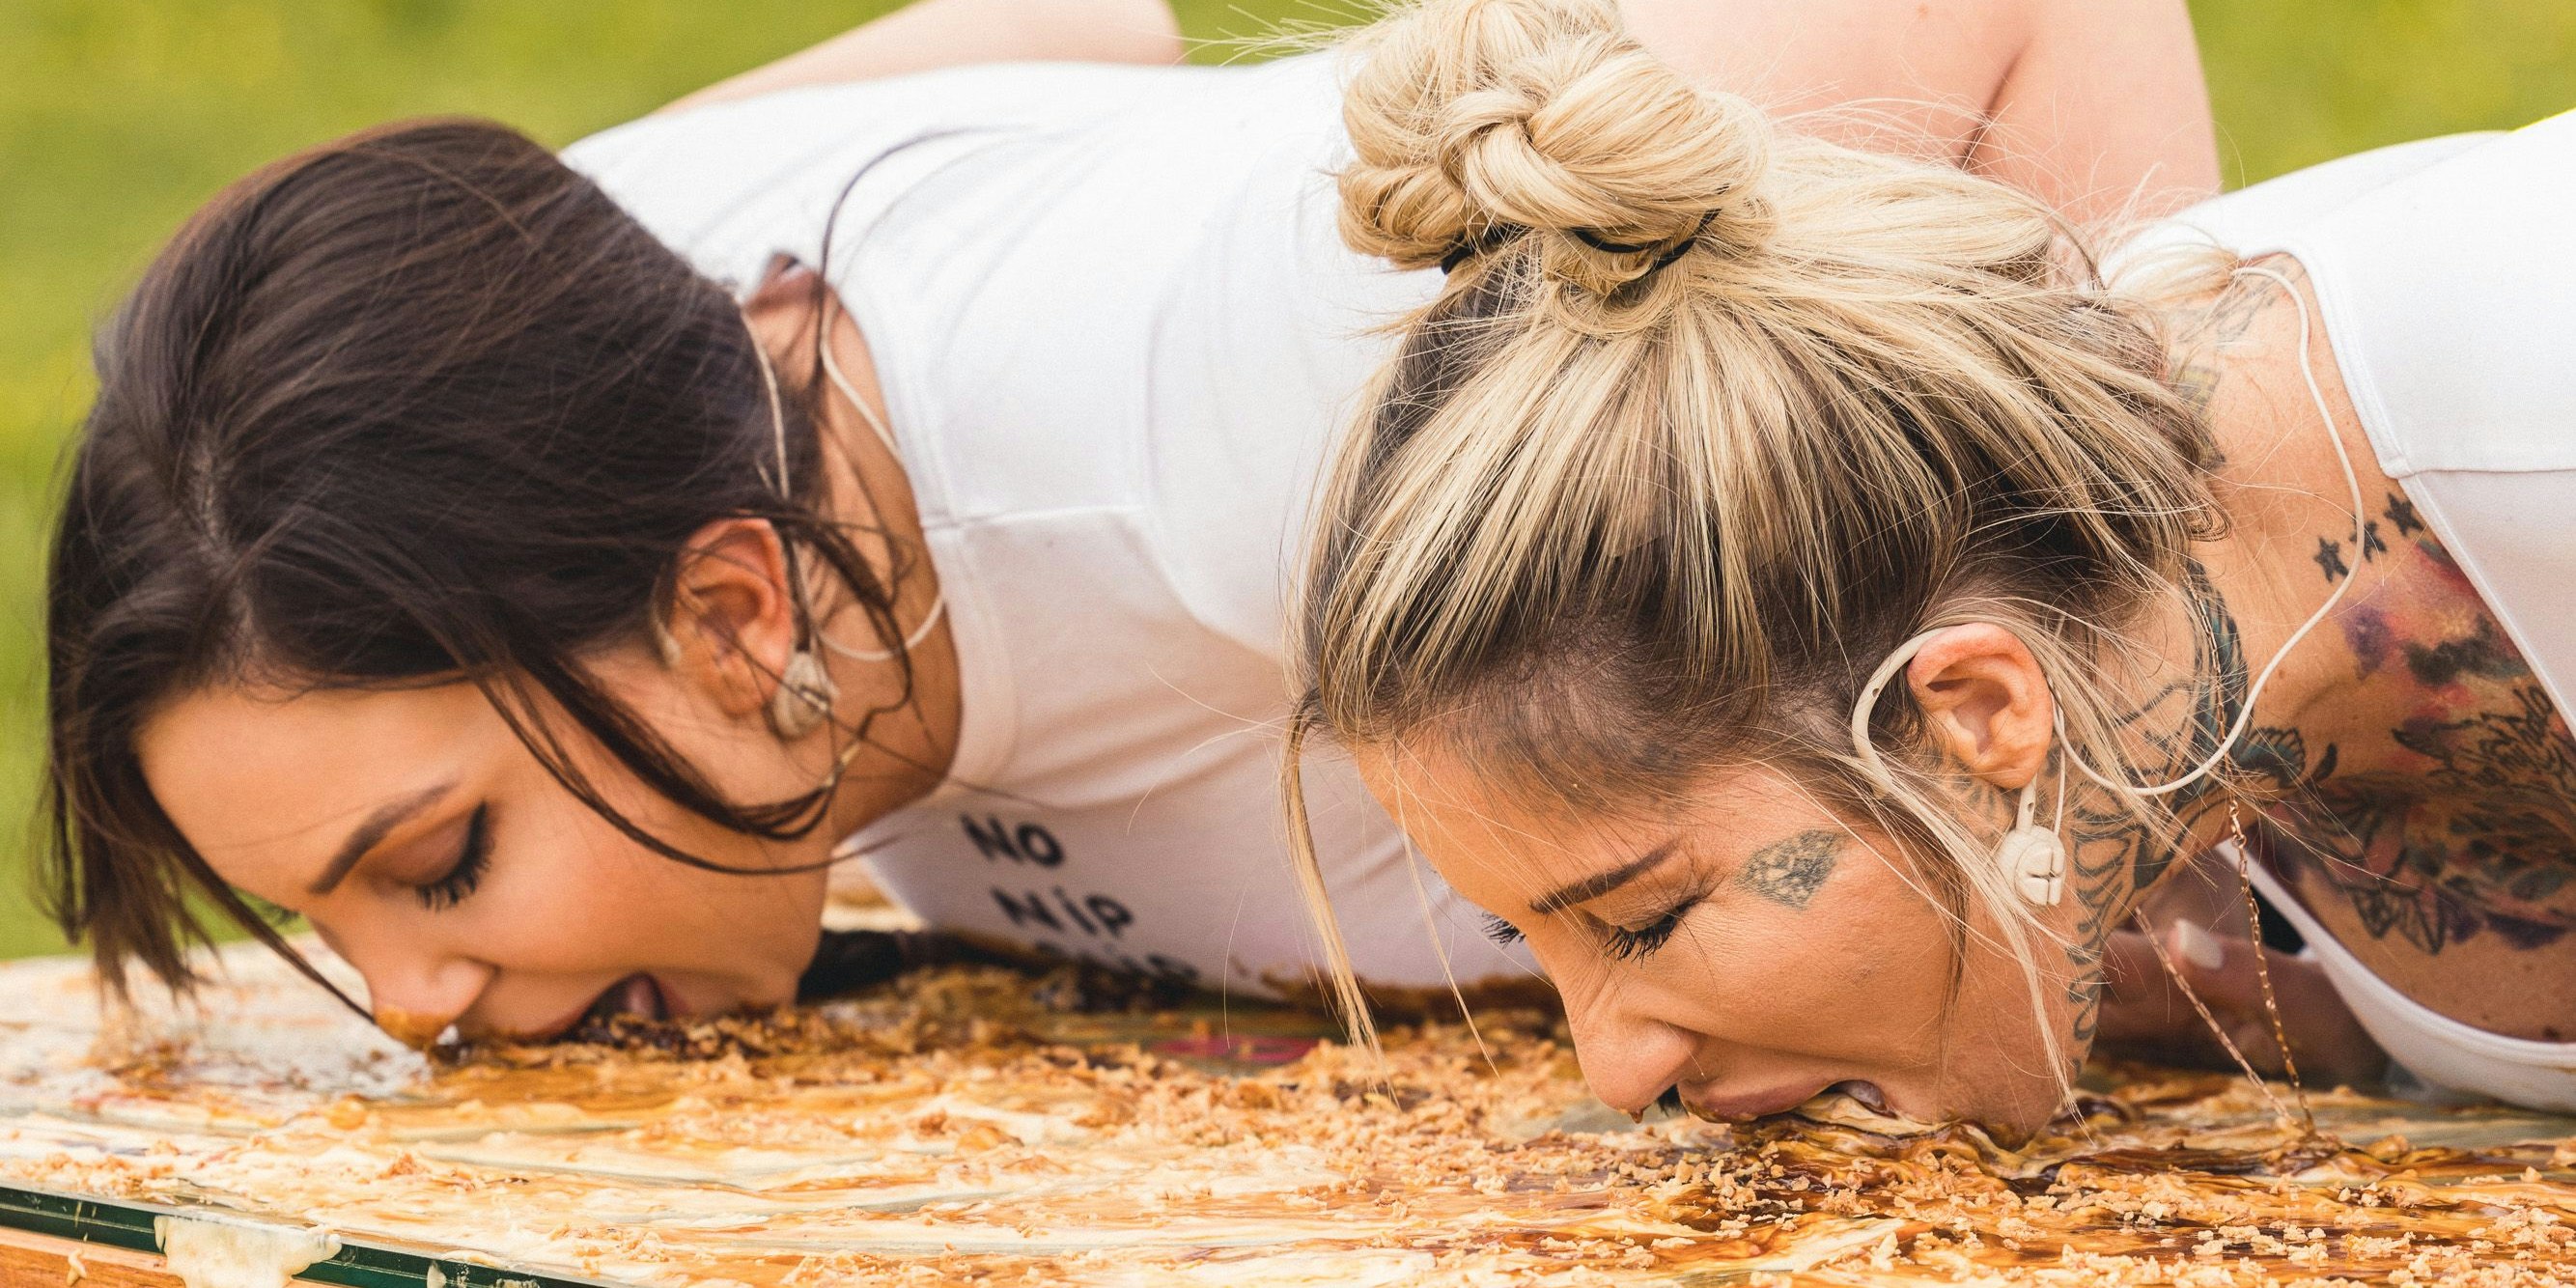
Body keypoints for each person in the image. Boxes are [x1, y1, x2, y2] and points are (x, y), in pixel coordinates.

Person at [42, 0, 2217, 1046]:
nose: (414, 1001)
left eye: (434, 866)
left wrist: (2146, 694)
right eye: (333, 926)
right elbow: (1077, 25)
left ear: (731, 609)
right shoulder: (588, 287)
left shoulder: (1296, 386)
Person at [1286, 0, 2576, 1134]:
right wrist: (2365, 1036)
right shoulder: (2108, 649)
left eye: (1643, 918)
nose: (1614, 1068)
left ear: (1977, 712)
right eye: (1534, 934)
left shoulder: (2534, 411)